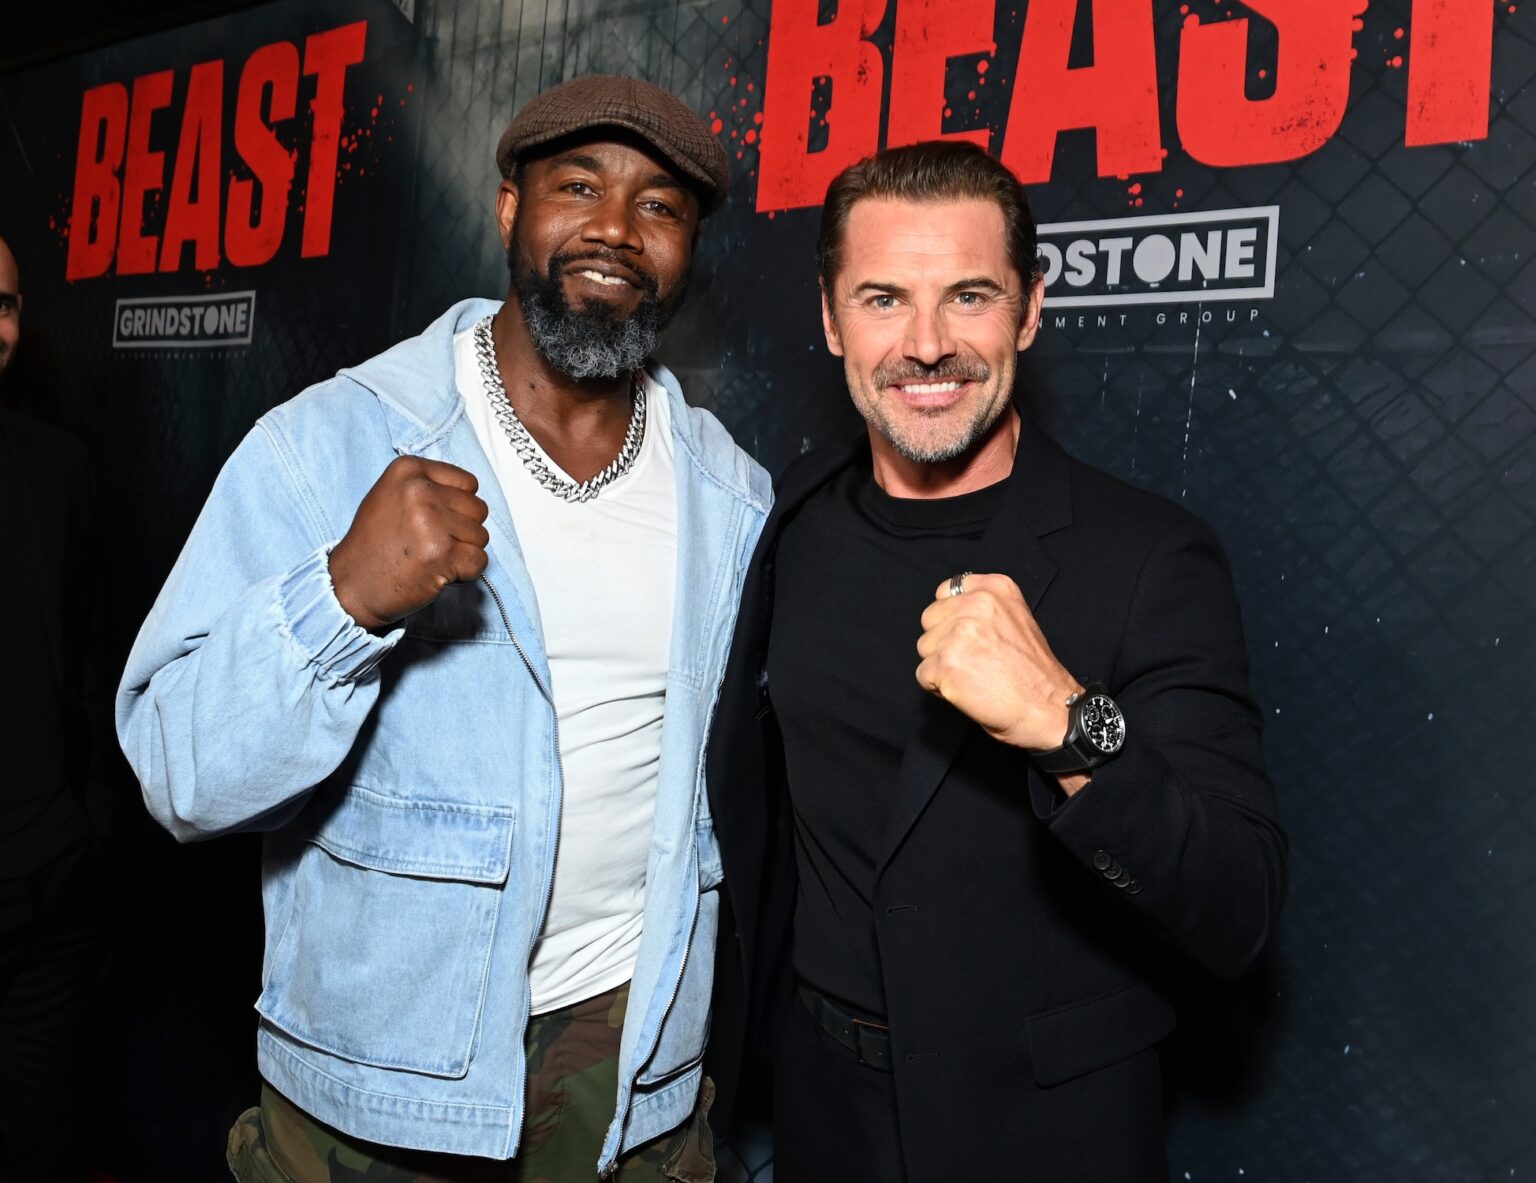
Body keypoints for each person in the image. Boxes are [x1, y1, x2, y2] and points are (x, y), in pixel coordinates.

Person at [117, 76, 768, 1181]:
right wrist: (341, 600)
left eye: (660, 206)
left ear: (688, 249)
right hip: (378, 1096)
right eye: (577, 187)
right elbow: (176, 769)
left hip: (632, 1079)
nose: (615, 228)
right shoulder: (327, 443)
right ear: (509, 210)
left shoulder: (729, 492)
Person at [704, 141, 1287, 1181]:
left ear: (1028, 311)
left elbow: (1237, 905)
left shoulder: (1148, 556)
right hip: (818, 1114)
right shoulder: (790, 518)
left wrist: (1071, 725)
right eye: (884, 299)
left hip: (1044, 1133)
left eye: (968, 295)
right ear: (833, 319)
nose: (926, 345)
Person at [0, 235, 112, 1182]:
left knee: (41, 1149)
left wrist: (83, 831)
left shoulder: (57, 469)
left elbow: (84, 661)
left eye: (2, 304)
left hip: (45, 895)